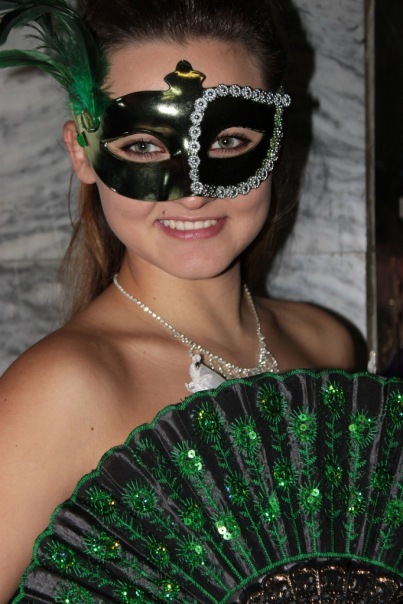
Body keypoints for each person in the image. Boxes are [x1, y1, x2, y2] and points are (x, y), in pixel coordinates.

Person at [0, 0, 358, 599]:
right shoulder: (59, 393)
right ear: (82, 151)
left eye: (230, 140)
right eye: (143, 146)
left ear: (273, 142)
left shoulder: (327, 346)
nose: (192, 193)